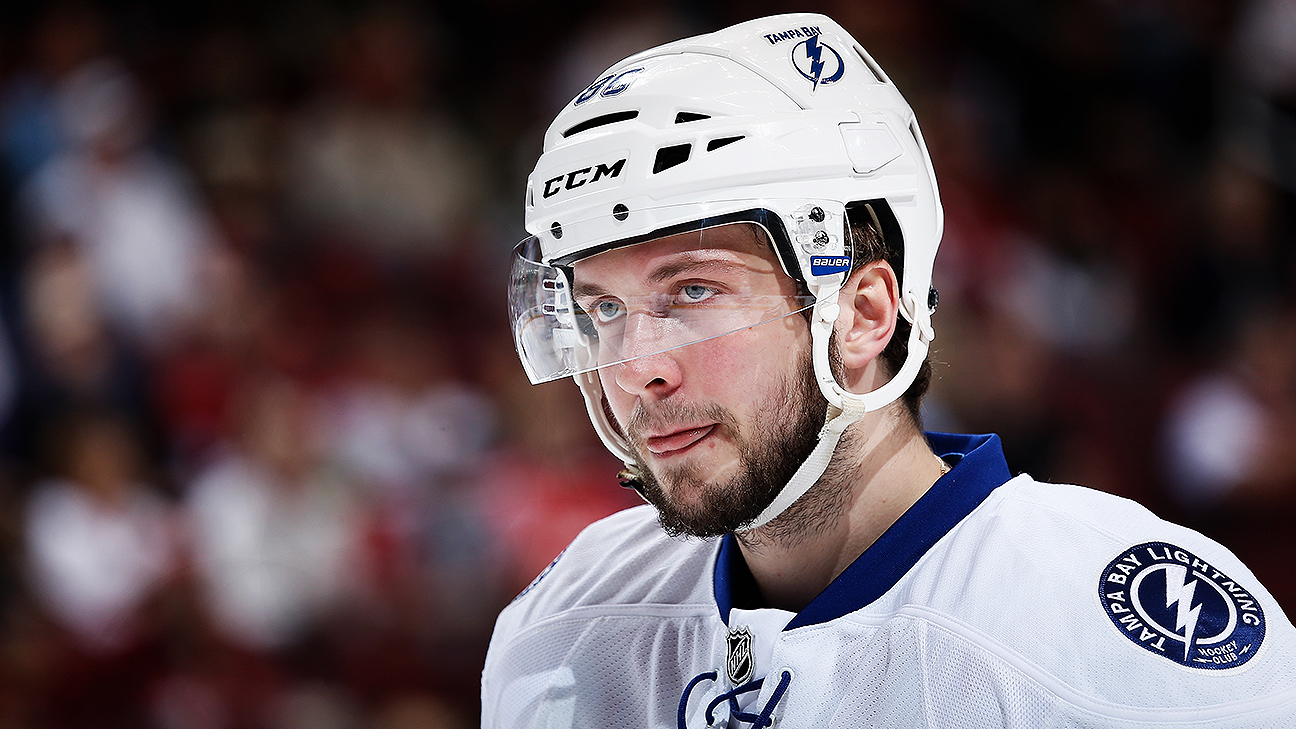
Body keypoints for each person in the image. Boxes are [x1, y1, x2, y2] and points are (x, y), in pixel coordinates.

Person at [483, 13, 1296, 728]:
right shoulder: (565, 624)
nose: (636, 371)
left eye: (693, 290)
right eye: (603, 309)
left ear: (865, 315)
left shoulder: (1114, 634)